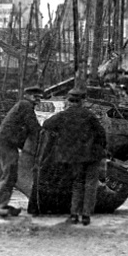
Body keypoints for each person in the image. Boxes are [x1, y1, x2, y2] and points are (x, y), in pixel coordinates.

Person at [41, 87, 107, 226]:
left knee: (77, 184)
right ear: (82, 101)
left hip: (75, 157)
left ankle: (74, 214)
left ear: (69, 101)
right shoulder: (89, 115)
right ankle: (86, 215)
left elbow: (46, 124)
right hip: (93, 155)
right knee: (90, 184)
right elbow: (101, 134)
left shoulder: (63, 115)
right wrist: (102, 148)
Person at [0, 86, 42, 218]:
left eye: (39, 97)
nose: (38, 100)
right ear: (27, 96)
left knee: (0, 173)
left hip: (3, 141)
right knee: (10, 173)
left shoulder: (22, 106)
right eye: (35, 97)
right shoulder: (25, 105)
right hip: (7, 143)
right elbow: (34, 128)